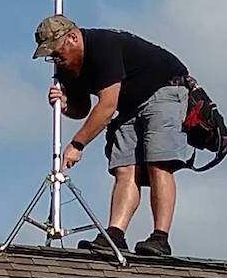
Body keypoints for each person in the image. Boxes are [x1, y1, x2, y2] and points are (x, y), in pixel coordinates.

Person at [32, 14, 193, 256]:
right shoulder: (67, 66)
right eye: (50, 56)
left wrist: (77, 143)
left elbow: (106, 107)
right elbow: (83, 108)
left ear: (73, 38)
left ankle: (160, 237)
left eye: (56, 52)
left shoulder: (102, 46)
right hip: (128, 105)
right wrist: (65, 104)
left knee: (157, 162)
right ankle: (115, 234)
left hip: (164, 89)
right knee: (124, 166)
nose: (55, 59)